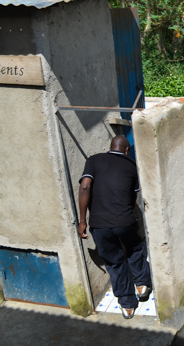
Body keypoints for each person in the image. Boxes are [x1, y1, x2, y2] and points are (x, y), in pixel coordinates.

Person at [77, 135, 151, 319]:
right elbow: (132, 199)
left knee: (114, 262)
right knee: (134, 249)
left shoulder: (93, 160)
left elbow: (85, 187)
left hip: (99, 224)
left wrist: (82, 221)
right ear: (127, 150)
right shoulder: (132, 166)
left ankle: (127, 305)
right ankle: (141, 286)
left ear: (110, 146)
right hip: (124, 221)